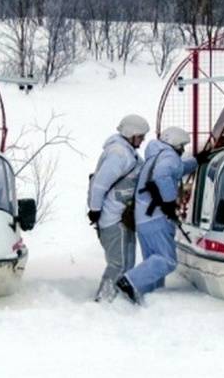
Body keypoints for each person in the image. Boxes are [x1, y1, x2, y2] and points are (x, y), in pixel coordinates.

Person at [115, 126, 198, 304]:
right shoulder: (169, 156)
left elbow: (175, 169)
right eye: (182, 145)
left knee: (153, 262)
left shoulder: (156, 155)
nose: (182, 149)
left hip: (143, 218)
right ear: (174, 143)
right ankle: (129, 281)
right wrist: (169, 201)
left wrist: (196, 162)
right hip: (156, 217)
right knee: (167, 260)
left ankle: (147, 300)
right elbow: (163, 174)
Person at [87, 114, 149, 302]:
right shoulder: (118, 154)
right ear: (130, 133)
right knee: (118, 263)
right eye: (140, 136)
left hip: (123, 215)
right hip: (113, 216)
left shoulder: (128, 151)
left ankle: (120, 301)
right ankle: (104, 300)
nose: (143, 140)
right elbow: (100, 184)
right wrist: (95, 209)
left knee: (127, 262)